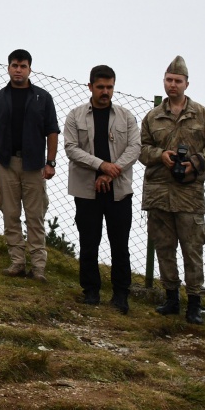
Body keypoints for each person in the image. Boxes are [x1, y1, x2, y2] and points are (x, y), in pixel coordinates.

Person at [138, 56, 205, 324]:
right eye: (169, 80)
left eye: (178, 81)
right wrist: (160, 155)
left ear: (187, 83)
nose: (172, 85)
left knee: (192, 249)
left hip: (189, 194)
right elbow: (140, 148)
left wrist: (195, 162)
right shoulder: (152, 117)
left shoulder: (201, 114)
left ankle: (194, 303)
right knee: (164, 248)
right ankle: (171, 298)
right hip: (159, 191)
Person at [63, 65, 141, 312]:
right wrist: (101, 166)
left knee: (120, 244)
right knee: (89, 241)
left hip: (118, 191)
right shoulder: (75, 116)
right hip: (86, 191)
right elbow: (71, 149)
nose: (106, 92)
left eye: (110, 87)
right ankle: (91, 291)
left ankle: (120, 295)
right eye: (100, 87)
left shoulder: (126, 117)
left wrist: (111, 171)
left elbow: (135, 148)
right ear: (90, 87)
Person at [0, 50, 59, 277]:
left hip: (34, 165)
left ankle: (38, 266)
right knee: (10, 213)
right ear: (8, 68)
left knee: (35, 216)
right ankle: (17, 262)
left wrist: (50, 162)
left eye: (23, 66)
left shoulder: (42, 98)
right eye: (14, 65)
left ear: (30, 69)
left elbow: (52, 131)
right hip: (5, 163)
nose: (18, 70)